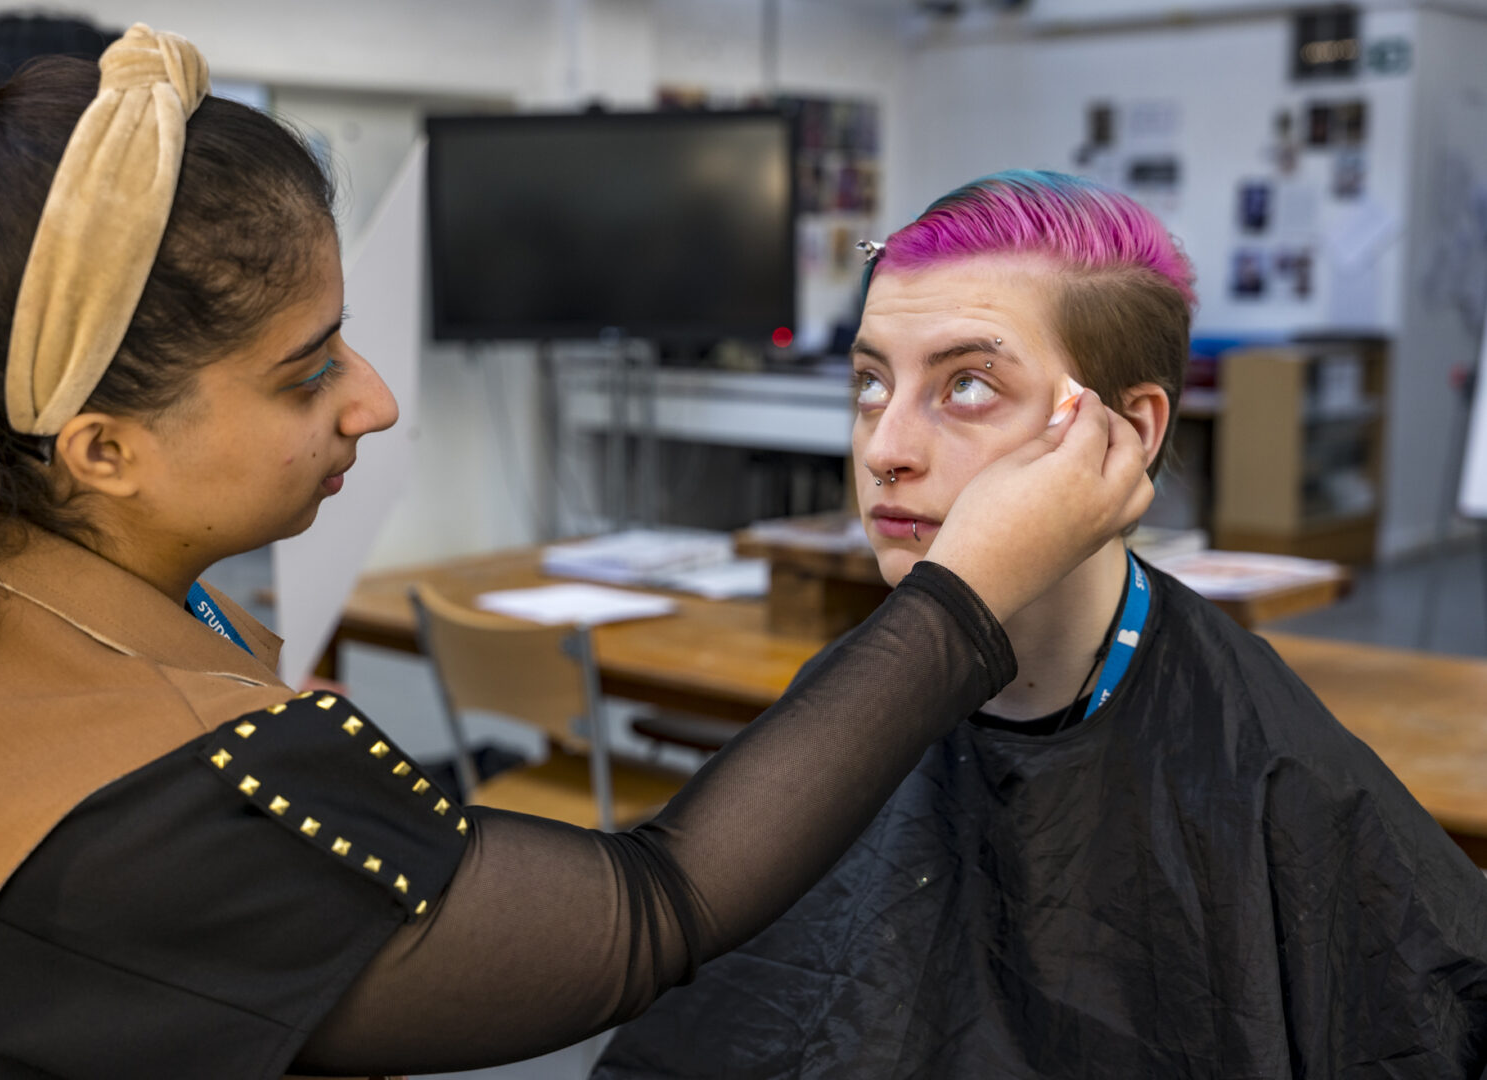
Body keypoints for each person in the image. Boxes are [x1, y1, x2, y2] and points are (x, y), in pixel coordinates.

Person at [0, 29, 1156, 1079]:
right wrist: (962, 595)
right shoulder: (165, 803)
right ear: (99, 450)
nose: (371, 400)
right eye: (306, 372)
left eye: (346, 338)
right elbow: (657, 907)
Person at [593, 171, 1487, 1079]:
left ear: (1127, 433)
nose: (885, 449)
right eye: (870, 382)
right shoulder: (844, 707)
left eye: (969, 386)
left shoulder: (1277, 771)